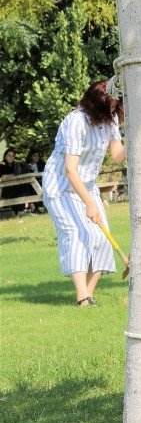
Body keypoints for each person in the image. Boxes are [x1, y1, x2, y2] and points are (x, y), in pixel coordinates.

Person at [41, 80, 126, 306]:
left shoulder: (112, 119)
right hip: (60, 187)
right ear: (96, 103)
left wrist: (136, 139)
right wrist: (90, 204)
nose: (114, 108)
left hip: (86, 185)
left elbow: (118, 155)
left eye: (116, 104)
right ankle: (82, 297)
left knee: (102, 238)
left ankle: (87, 296)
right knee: (76, 235)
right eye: (110, 104)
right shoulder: (75, 122)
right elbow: (70, 170)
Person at [0, 148, 33, 214]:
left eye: (12, 156)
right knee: (23, 188)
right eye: (9, 156)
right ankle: (29, 206)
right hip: (4, 190)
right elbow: (2, 177)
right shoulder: (2, 165)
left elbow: (18, 174)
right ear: (5, 156)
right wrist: (10, 175)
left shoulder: (14, 165)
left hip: (13, 187)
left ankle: (21, 210)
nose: (11, 157)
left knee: (24, 186)